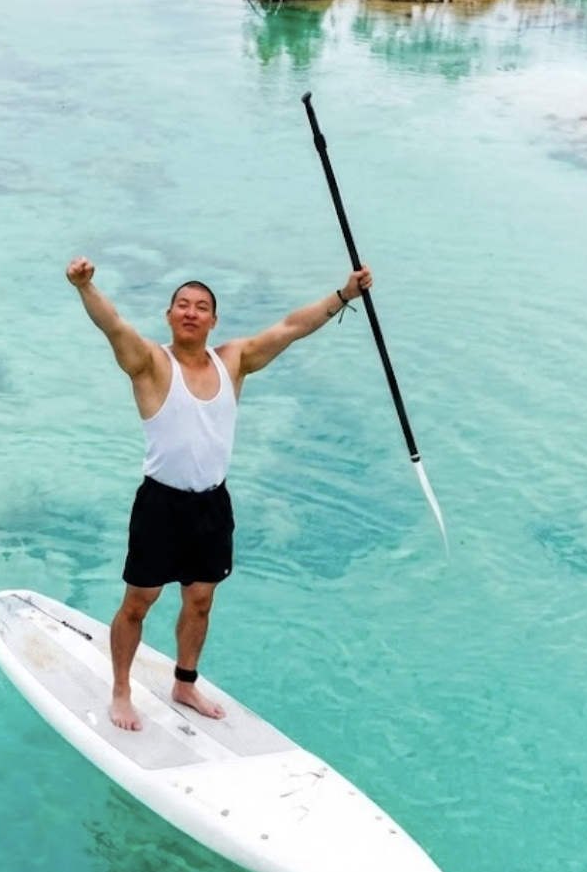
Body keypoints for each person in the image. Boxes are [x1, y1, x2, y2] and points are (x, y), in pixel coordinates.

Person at [64, 255, 374, 730]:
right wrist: (85, 286)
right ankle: (122, 690)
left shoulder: (234, 360)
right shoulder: (149, 363)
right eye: (182, 305)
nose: (191, 312)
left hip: (212, 503)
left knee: (201, 600)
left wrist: (344, 295)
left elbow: (291, 327)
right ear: (169, 316)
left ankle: (184, 682)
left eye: (201, 306)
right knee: (138, 603)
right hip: (161, 504)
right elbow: (113, 325)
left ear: (214, 320)